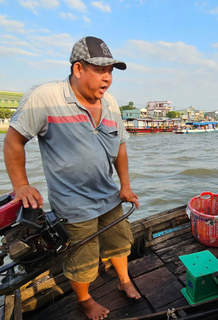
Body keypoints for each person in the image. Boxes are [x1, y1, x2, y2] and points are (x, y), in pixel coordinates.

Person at [3, 36, 140, 320]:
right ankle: (84, 299)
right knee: (82, 256)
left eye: (111, 71)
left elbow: (121, 147)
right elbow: (14, 141)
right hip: (73, 203)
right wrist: (21, 185)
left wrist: (125, 186)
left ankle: (124, 279)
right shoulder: (45, 97)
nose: (108, 78)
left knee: (119, 242)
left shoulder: (111, 102)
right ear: (78, 69)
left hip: (110, 195)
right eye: (101, 70)